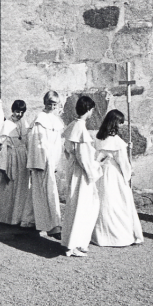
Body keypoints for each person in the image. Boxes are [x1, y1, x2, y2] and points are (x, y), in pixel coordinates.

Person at [91, 110, 144, 247]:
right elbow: (123, 162)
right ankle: (118, 236)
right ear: (115, 124)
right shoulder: (117, 142)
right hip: (113, 174)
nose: (121, 126)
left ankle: (101, 235)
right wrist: (129, 173)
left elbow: (97, 156)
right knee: (117, 203)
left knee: (103, 202)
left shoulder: (99, 138)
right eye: (120, 123)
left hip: (101, 172)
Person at [60, 95, 102, 257]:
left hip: (75, 171)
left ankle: (77, 242)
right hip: (82, 174)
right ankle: (74, 244)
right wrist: (96, 168)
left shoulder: (73, 126)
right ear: (89, 110)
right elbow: (84, 158)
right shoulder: (81, 129)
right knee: (81, 207)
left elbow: (68, 150)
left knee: (77, 205)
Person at [27, 90, 65, 236]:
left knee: (50, 193)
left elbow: (57, 144)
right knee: (44, 194)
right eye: (50, 103)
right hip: (42, 163)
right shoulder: (40, 119)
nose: (52, 106)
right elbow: (36, 143)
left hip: (52, 162)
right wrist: (40, 163)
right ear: (45, 102)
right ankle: (50, 225)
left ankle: (51, 223)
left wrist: (55, 163)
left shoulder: (56, 120)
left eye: (55, 104)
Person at [0, 100, 35, 227]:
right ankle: (6, 218)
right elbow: (2, 145)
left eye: (22, 112)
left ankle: (19, 217)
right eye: (17, 111)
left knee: (22, 187)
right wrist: (2, 165)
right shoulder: (6, 124)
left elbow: (28, 141)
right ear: (12, 110)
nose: (19, 114)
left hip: (22, 157)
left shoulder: (24, 122)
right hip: (11, 157)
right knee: (10, 186)